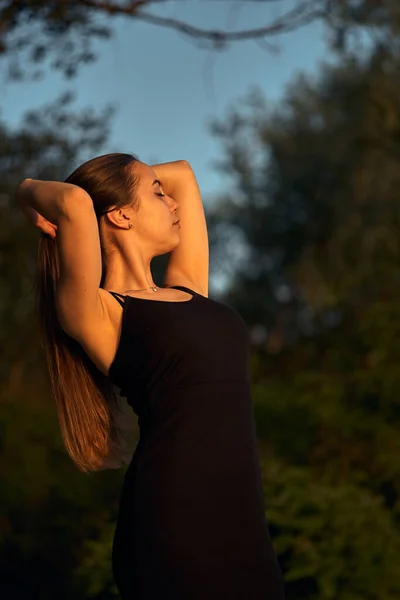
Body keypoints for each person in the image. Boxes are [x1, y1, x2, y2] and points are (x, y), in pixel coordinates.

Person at [16, 153, 286, 599]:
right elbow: (74, 204)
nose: (174, 202)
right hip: (174, 520)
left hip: (243, 521)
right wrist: (25, 189)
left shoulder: (187, 287)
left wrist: (138, 182)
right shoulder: (98, 311)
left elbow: (182, 172)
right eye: (157, 195)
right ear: (121, 215)